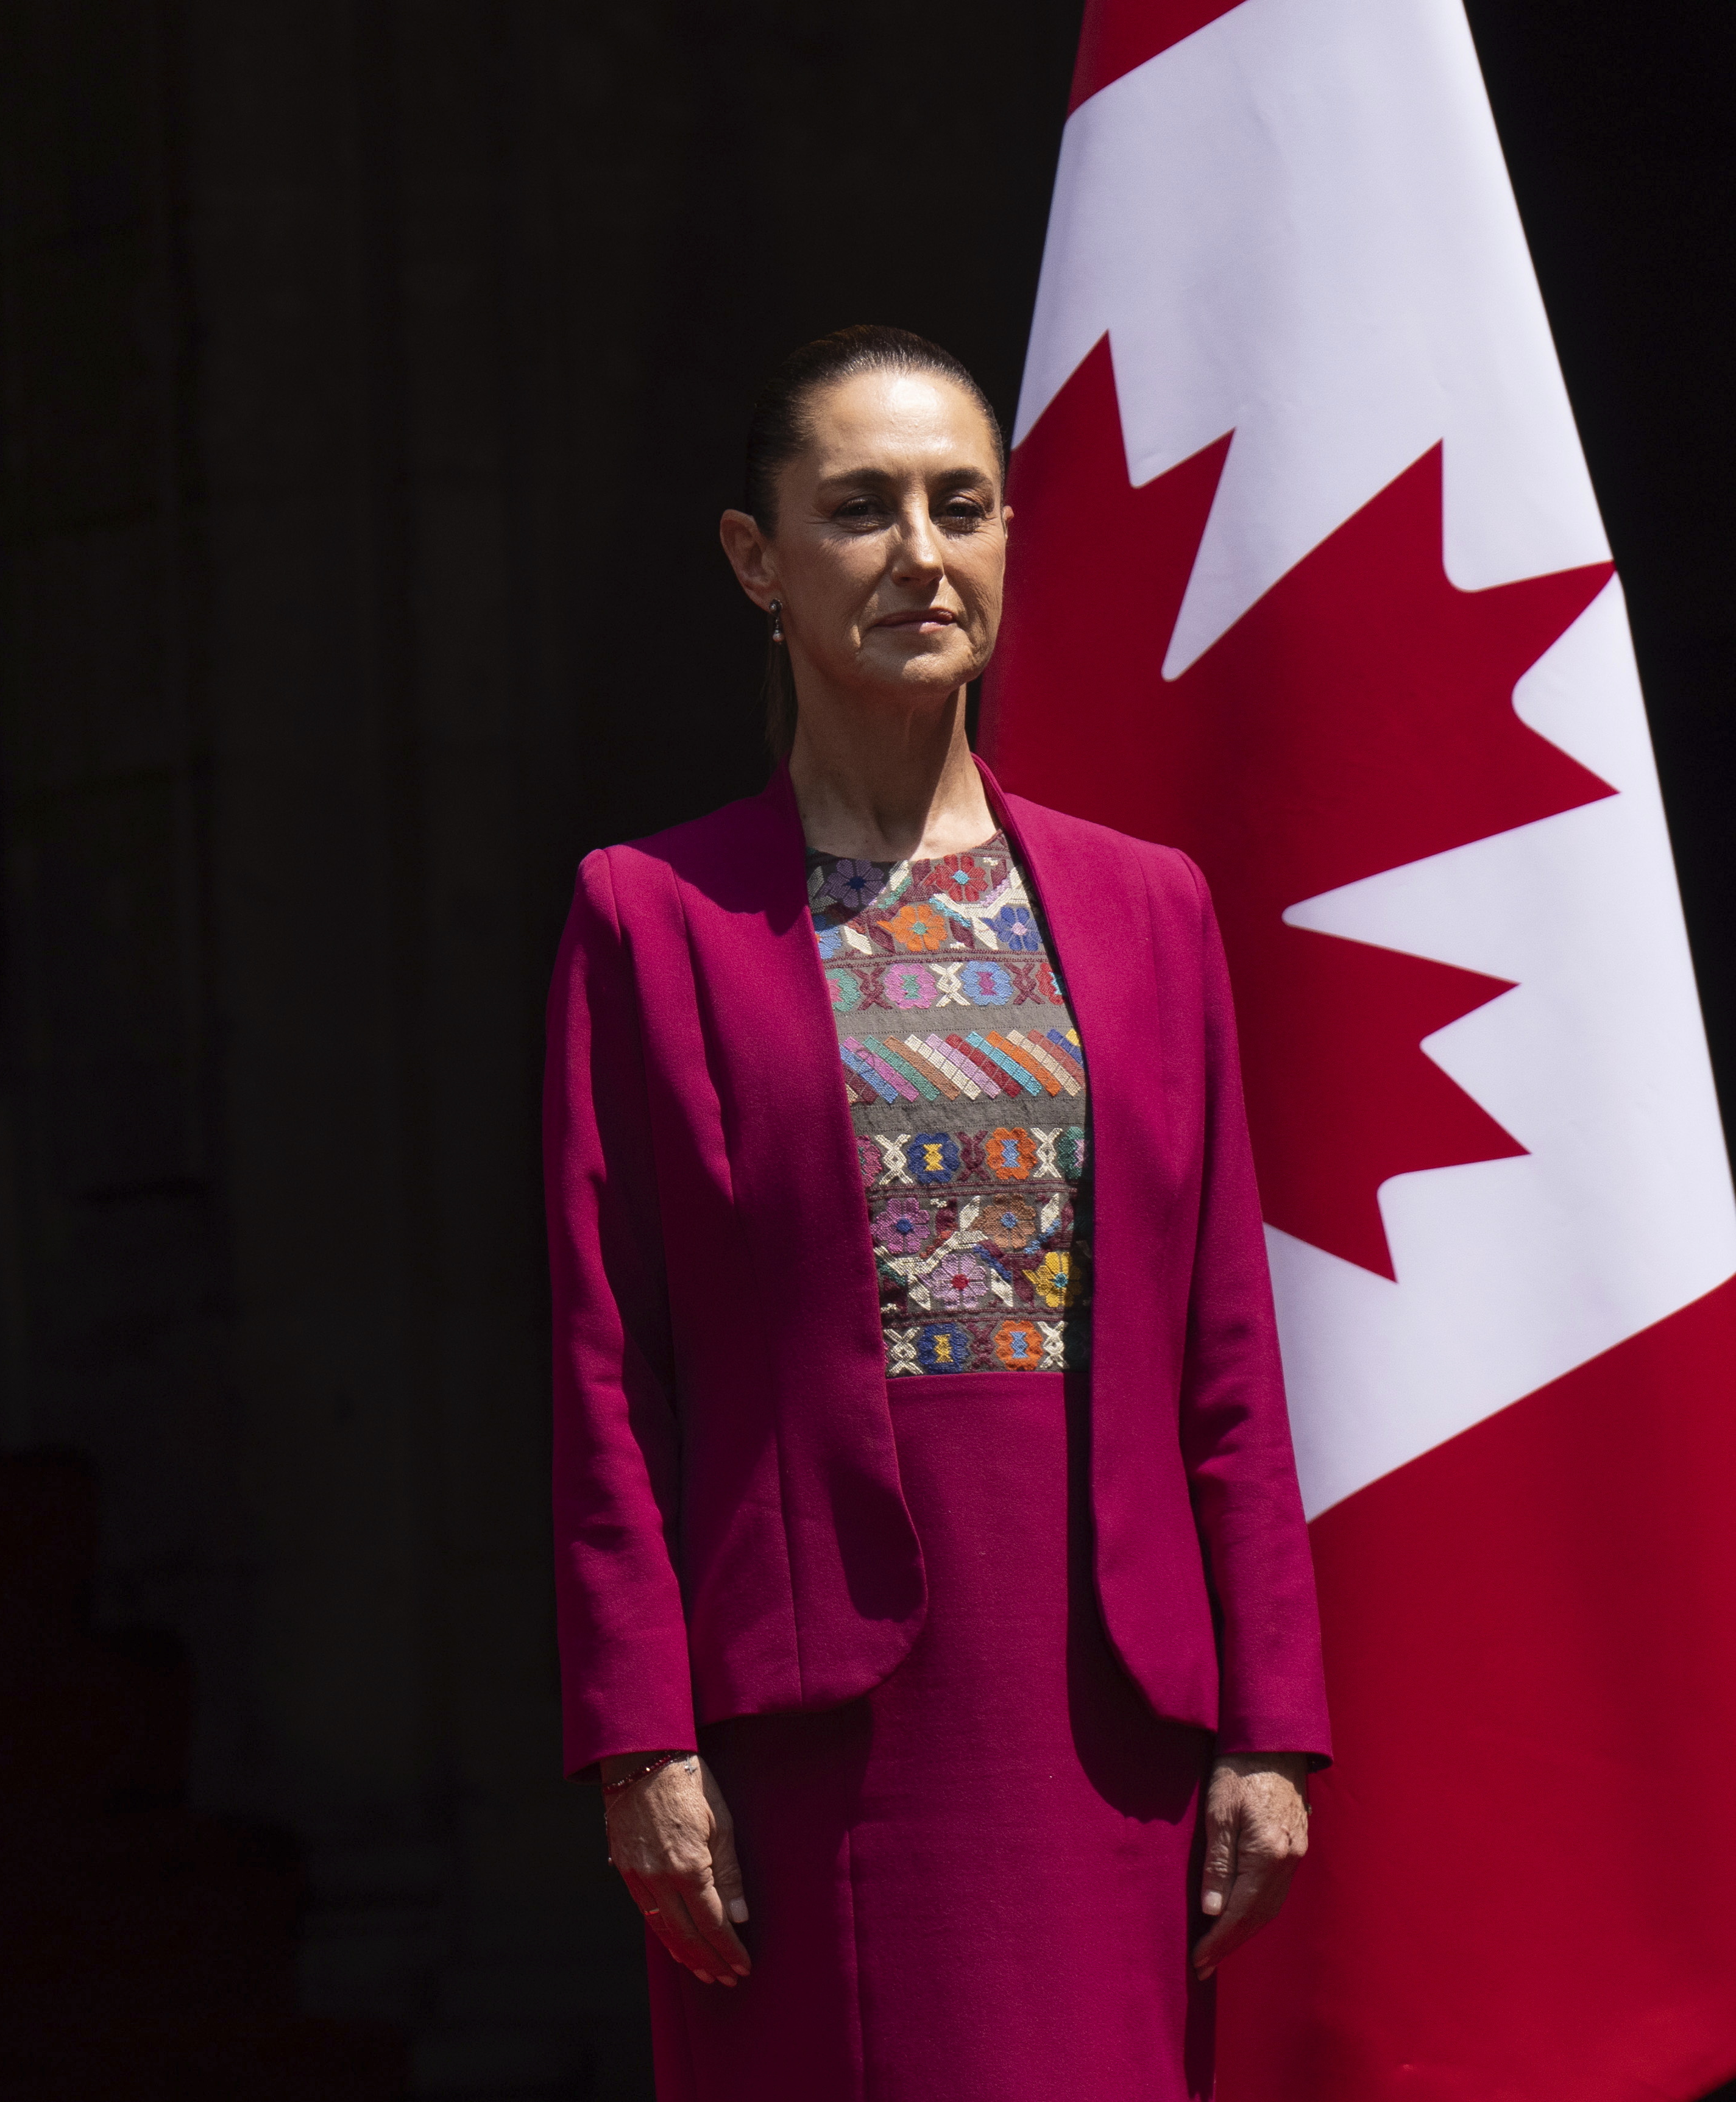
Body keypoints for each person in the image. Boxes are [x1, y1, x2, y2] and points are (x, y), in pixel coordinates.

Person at [541, 325, 1328, 2097]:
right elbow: (608, 1370)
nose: (920, 550)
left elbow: (1223, 1346)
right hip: (809, 1744)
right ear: (757, 561)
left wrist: (1273, 1725)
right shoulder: (645, 918)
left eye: (958, 505)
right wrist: (635, 1738)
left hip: (1105, 1715)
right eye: (859, 508)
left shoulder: (1150, 909)